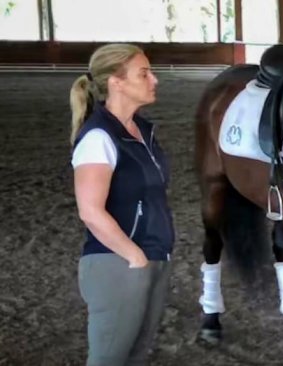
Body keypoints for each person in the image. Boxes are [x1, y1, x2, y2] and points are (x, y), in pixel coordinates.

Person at [69, 43, 174, 366]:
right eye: (143, 73)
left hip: (152, 258)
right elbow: (90, 210)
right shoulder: (99, 137)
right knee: (109, 360)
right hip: (117, 264)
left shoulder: (141, 130)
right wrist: (135, 257)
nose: (154, 79)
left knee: (136, 357)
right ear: (116, 82)